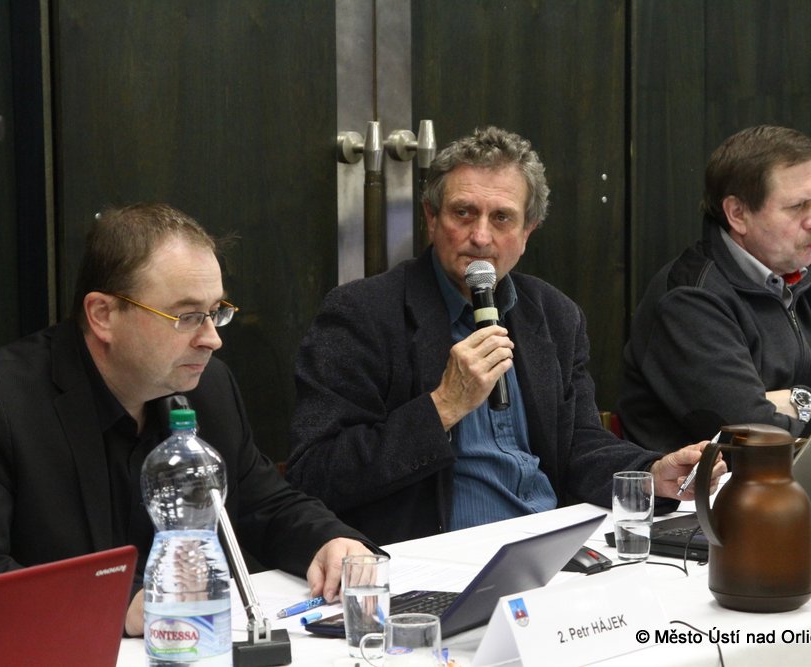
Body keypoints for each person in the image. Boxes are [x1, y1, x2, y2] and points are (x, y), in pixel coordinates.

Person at [286, 126, 724, 545]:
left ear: (528, 231)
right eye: (463, 213)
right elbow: (316, 475)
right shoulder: (363, 313)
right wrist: (443, 407)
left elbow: (578, 445)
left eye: (501, 218)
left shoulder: (554, 315)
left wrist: (651, 474)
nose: (480, 236)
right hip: (438, 556)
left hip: (549, 545)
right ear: (431, 217)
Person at [0, 203, 375, 636]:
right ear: (103, 315)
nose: (212, 339)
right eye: (187, 317)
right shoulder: (1, 402)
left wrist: (329, 541)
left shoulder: (208, 387)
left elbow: (264, 505)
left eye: (215, 311)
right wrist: (124, 605)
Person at [617, 125, 811, 453]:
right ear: (738, 214)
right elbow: (749, 434)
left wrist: (799, 401)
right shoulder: (690, 299)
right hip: (714, 483)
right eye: (798, 206)